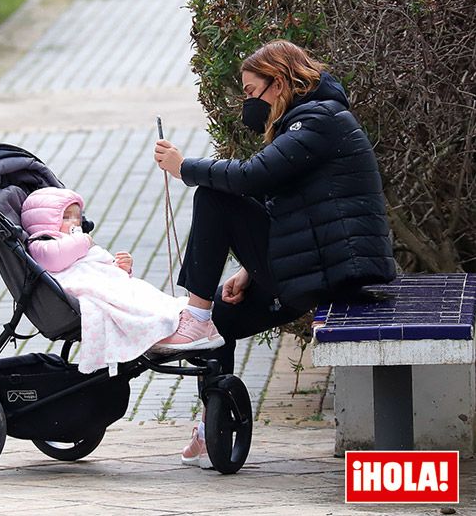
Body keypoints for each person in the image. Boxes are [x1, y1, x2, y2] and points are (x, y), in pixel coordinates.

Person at [153, 40, 396, 468]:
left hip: (330, 271)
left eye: (251, 91)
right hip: (319, 267)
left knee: (212, 198)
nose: (248, 102)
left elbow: (252, 177)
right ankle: (211, 419)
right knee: (221, 325)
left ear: (279, 81)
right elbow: (283, 207)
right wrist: (249, 271)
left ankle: (194, 314)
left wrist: (183, 166)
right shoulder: (311, 119)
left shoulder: (319, 120)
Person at [20, 187, 225, 375]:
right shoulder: (42, 243)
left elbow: (97, 266)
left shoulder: (76, 243)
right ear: (45, 222)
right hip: (84, 290)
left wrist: (119, 269)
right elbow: (57, 258)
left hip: (104, 282)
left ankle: (182, 321)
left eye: (77, 217)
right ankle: (157, 332)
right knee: (123, 304)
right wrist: (82, 241)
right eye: (66, 217)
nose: (75, 223)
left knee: (140, 292)